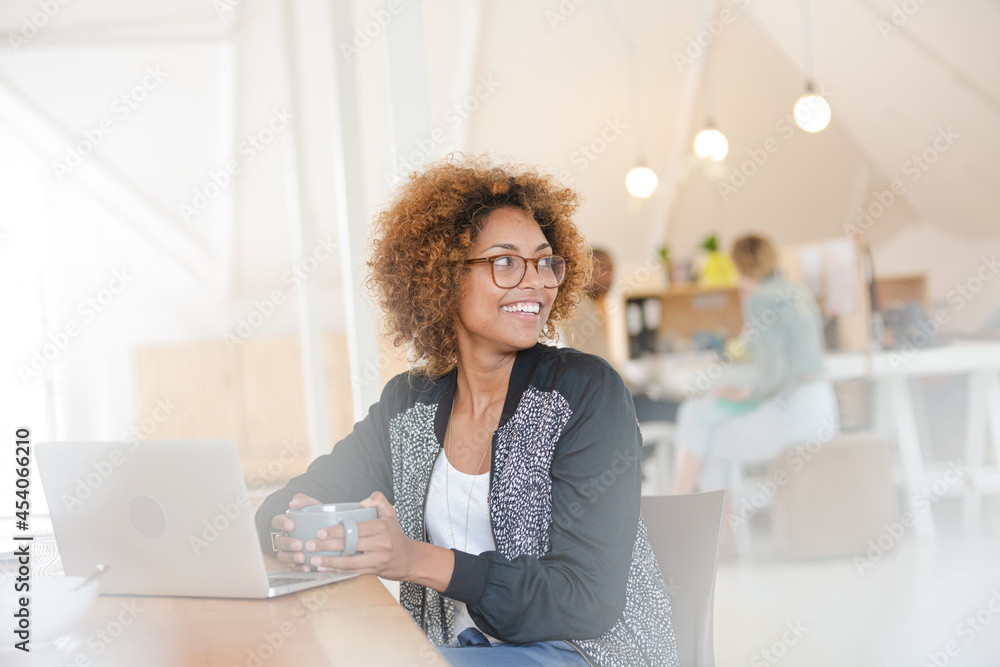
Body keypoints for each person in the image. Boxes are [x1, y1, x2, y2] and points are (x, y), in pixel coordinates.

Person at [255, 156, 679, 667]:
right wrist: (289, 527)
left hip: (584, 652)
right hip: (457, 652)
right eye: (506, 262)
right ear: (442, 277)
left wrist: (414, 559)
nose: (536, 282)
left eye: (545, 262)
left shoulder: (583, 392)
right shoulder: (409, 404)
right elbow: (292, 500)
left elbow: (586, 600)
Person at [672, 233, 839, 496]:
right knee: (710, 436)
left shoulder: (761, 298)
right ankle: (706, 516)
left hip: (795, 414)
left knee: (711, 440)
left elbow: (773, 374)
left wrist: (743, 392)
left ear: (739, 265)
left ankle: (691, 509)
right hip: (823, 410)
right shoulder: (798, 291)